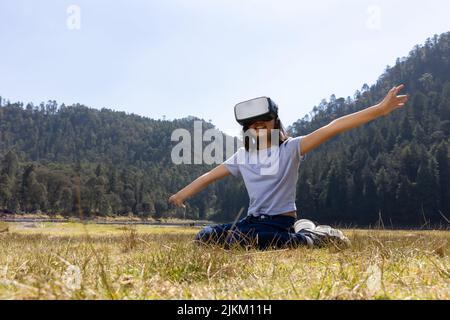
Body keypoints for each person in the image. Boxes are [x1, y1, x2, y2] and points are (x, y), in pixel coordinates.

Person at [168, 85, 409, 250]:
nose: (258, 129)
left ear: (275, 125)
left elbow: (333, 127)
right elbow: (210, 175)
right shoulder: (242, 156)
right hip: (250, 222)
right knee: (206, 237)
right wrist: (181, 195)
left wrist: (380, 109)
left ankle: (312, 237)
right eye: (253, 126)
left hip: (278, 222)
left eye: (264, 124)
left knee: (246, 241)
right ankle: (303, 230)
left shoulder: (290, 149)